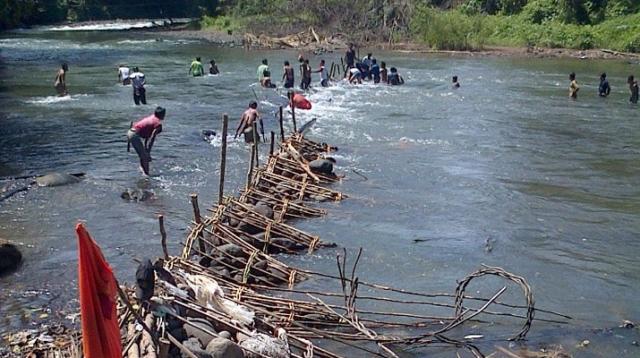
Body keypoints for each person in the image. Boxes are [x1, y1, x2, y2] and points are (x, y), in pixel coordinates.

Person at [127, 106, 166, 176]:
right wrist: (148, 152)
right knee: (145, 157)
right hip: (134, 135)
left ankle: (143, 171)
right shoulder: (157, 123)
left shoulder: (152, 118)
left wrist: (147, 151)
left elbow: (147, 138)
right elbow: (152, 138)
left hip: (131, 132)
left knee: (143, 155)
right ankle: (146, 175)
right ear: (163, 115)